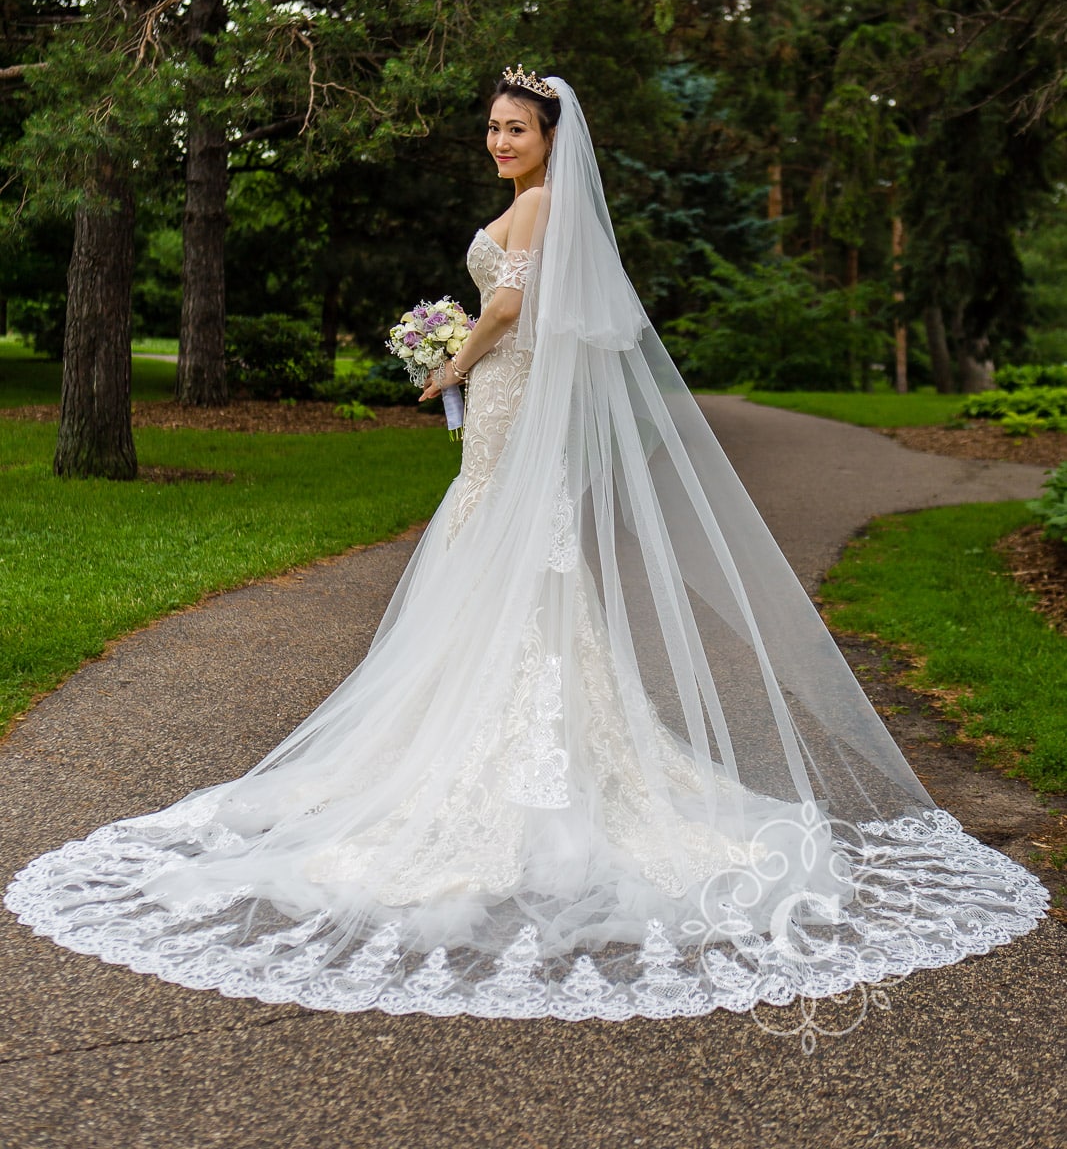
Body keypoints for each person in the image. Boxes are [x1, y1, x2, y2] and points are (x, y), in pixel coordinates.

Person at [5, 68, 1048, 1021]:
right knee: (487, 554)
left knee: (502, 552)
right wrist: (460, 357)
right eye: (493, 129)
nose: (500, 142)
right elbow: (507, 298)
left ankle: (514, 755)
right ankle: (463, 726)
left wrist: (450, 363)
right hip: (502, 405)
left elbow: (508, 302)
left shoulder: (544, 206)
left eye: (516, 128)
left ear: (551, 136)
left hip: (503, 399)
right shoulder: (525, 204)